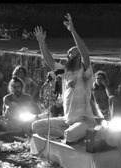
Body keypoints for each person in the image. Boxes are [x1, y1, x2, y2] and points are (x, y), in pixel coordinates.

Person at [32, 13, 97, 144]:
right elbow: (50, 62)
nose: (68, 55)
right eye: (67, 54)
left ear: (79, 57)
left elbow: (85, 52)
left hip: (84, 121)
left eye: (71, 53)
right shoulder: (66, 72)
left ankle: (81, 132)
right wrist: (41, 42)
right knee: (36, 126)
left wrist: (72, 31)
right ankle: (71, 134)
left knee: (70, 135)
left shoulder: (85, 72)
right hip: (66, 120)